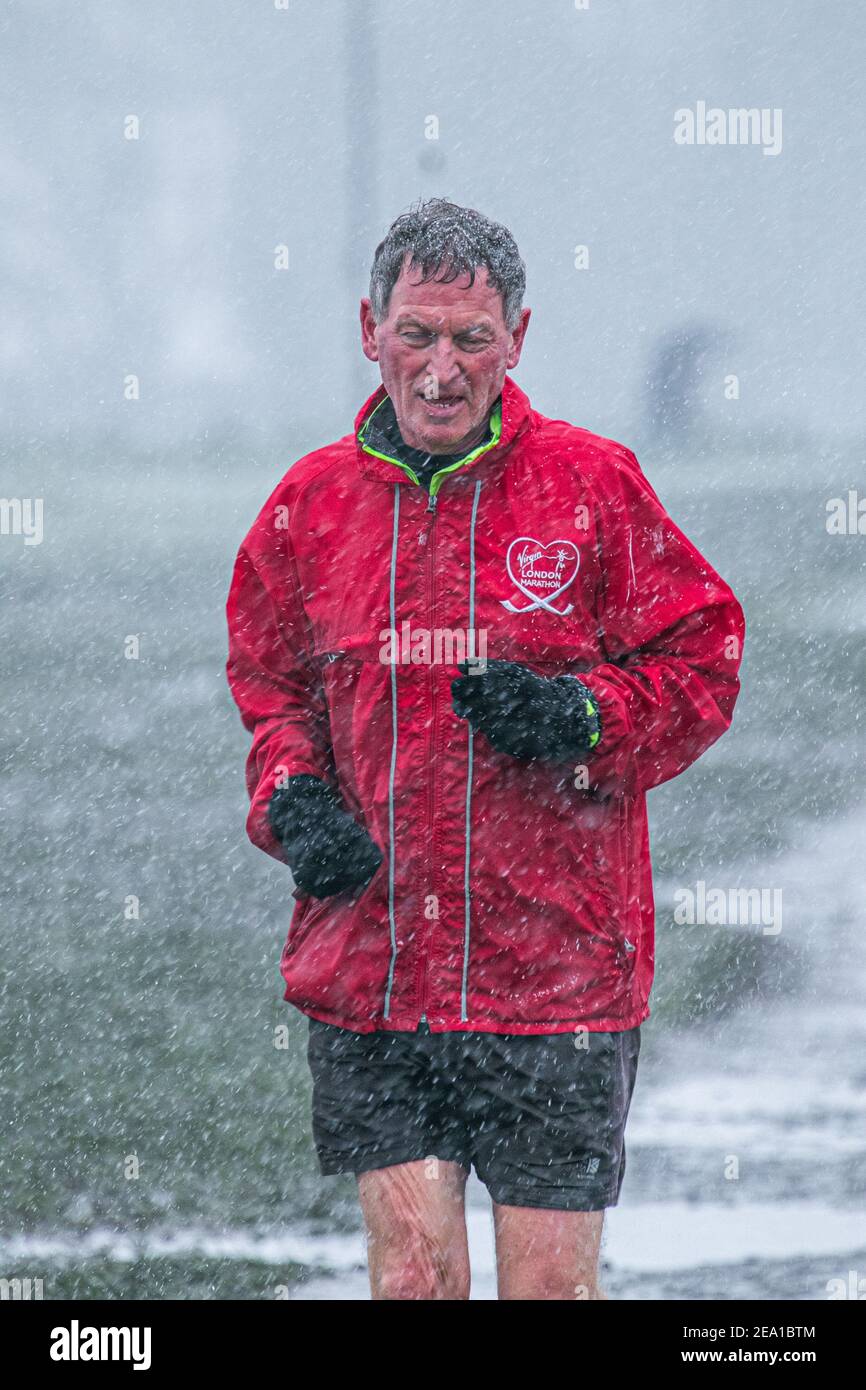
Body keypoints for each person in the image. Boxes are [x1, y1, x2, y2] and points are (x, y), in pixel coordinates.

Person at [225, 197, 745, 1300]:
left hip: (556, 976)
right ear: (370, 331)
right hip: (374, 970)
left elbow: (702, 662)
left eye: (470, 338)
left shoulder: (592, 485)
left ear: (517, 338)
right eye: (416, 333)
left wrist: (582, 716)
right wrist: (293, 796)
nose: (441, 368)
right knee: (411, 1277)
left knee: (546, 1293)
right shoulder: (306, 506)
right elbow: (269, 692)